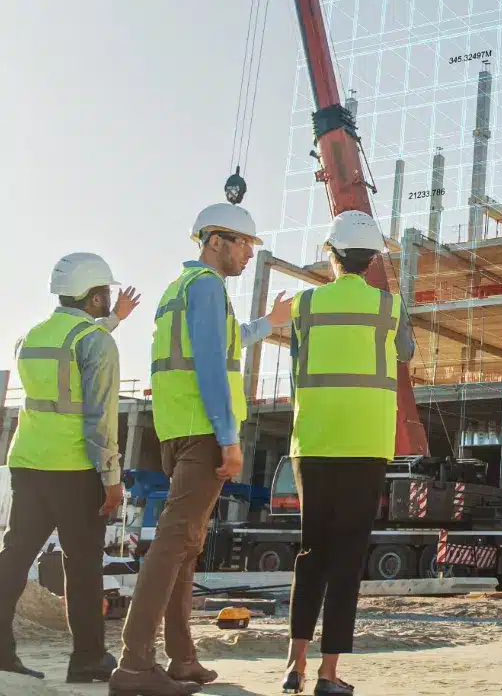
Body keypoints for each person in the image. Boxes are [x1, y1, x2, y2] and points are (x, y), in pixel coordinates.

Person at [110, 203, 293, 696]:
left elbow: (224, 344)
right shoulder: (209, 288)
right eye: (244, 244)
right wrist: (229, 439)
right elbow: (213, 366)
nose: (250, 254)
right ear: (216, 242)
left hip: (178, 430)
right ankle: (134, 667)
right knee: (173, 546)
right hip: (205, 432)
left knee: (185, 548)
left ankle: (182, 658)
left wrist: (268, 322)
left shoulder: (181, 289)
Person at [282, 210, 415, 696]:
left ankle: (293, 665)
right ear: (373, 259)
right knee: (346, 559)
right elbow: (407, 353)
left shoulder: (305, 305)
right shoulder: (389, 307)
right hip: (365, 444)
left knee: (310, 552)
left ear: (331, 255)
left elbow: (299, 357)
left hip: (313, 442)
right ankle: (327, 674)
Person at [0, 253, 140, 682]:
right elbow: (100, 419)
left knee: (14, 559)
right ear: (96, 295)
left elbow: (70, 359)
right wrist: (112, 478)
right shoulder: (97, 342)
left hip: (27, 464)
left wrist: (112, 319)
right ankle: (87, 660)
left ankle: (2, 652)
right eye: (108, 294)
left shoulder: (31, 337)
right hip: (75, 470)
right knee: (82, 567)